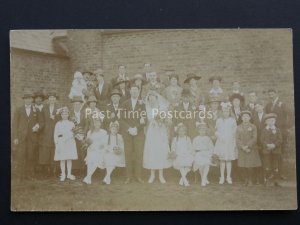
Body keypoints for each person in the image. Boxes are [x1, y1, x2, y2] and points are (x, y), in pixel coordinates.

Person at [12, 92, 43, 182]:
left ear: (32, 100)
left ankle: (29, 175)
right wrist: (15, 137)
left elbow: (41, 122)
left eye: (30, 99)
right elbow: (15, 125)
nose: (28, 100)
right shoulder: (19, 110)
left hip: (32, 138)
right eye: (26, 99)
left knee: (31, 156)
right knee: (20, 156)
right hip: (21, 137)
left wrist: (37, 127)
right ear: (24, 100)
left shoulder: (36, 110)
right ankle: (19, 176)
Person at [143, 90, 171, 184]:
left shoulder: (161, 107)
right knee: (152, 151)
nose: (151, 98)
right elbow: (147, 120)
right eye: (149, 97)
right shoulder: (147, 107)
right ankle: (152, 174)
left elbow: (167, 118)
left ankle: (161, 175)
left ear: (156, 97)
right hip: (152, 131)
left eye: (153, 96)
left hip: (160, 130)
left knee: (160, 151)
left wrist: (162, 121)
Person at [120, 85, 146, 184]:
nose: (134, 92)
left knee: (139, 154)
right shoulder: (125, 103)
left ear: (139, 92)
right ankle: (128, 177)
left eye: (136, 90)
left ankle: (138, 176)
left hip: (138, 133)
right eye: (133, 90)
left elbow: (145, 119)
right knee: (128, 154)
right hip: (128, 133)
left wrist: (137, 128)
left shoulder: (142, 104)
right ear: (130, 92)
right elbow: (121, 119)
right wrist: (129, 129)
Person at [265, 89, 291, 179]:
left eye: (272, 94)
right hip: (270, 133)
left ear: (276, 94)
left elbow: (290, 115)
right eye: (270, 94)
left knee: (280, 153)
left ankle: (281, 173)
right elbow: (266, 118)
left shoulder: (282, 104)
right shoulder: (268, 105)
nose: (271, 96)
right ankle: (272, 173)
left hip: (281, 132)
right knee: (271, 153)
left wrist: (287, 128)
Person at [213, 102, 237, 184]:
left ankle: (228, 177)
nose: (225, 113)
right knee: (222, 160)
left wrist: (231, 138)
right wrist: (219, 136)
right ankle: (222, 177)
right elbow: (216, 131)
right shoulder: (219, 120)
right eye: (224, 111)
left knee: (228, 160)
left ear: (229, 112)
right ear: (221, 112)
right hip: (221, 141)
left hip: (230, 142)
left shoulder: (232, 120)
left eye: (227, 111)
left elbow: (234, 131)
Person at [236, 111, 262, 186]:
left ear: (250, 118)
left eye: (247, 116)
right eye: (243, 117)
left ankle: (250, 180)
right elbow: (237, 139)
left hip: (251, 148)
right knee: (243, 165)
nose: (245, 118)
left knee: (250, 165)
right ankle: (245, 180)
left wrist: (247, 146)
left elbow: (254, 138)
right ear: (241, 118)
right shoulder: (238, 127)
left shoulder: (253, 126)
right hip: (242, 149)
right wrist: (242, 147)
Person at [39, 92, 61, 177]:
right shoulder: (44, 108)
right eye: (50, 98)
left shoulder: (59, 108)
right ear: (48, 99)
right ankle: (47, 169)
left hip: (56, 131)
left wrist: (55, 118)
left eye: (53, 98)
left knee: (55, 149)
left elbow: (61, 119)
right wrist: (40, 129)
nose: (52, 99)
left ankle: (54, 169)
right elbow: (41, 120)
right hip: (46, 132)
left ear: (55, 99)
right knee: (46, 149)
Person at [54, 107, 78, 181]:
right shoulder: (58, 123)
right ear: (61, 115)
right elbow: (55, 134)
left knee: (69, 158)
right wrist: (56, 143)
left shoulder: (71, 123)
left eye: (66, 114)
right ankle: (63, 174)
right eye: (63, 114)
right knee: (62, 159)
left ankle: (69, 174)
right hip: (61, 142)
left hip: (70, 142)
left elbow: (74, 133)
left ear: (68, 115)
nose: (64, 115)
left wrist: (69, 137)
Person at [83, 117, 108, 184]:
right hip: (92, 149)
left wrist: (100, 147)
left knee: (96, 157)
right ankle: (88, 178)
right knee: (90, 157)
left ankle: (88, 177)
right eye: (95, 122)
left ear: (100, 123)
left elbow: (105, 143)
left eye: (98, 122)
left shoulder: (104, 132)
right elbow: (88, 143)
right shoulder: (89, 132)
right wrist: (87, 145)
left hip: (100, 150)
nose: (97, 124)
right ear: (93, 124)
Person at [260, 113, 283, 186]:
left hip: (276, 150)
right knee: (267, 165)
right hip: (266, 150)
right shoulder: (264, 130)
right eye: (269, 121)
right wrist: (267, 145)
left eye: (272, 121)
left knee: (275, 165)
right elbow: (261, 139)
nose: (270, 122)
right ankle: (266, 180)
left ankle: (276, 180)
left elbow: (280, 140)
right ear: (266, 122)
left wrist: (274, 145)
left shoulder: (277, 130)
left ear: (275, 121)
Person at [192, 122, 214, 186]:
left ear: (206, 131)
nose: (202, 131)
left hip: (206, 154)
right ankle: (203, 178)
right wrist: (195, 154)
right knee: (200, 163)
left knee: (207, 163)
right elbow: (193, 149)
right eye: (201, 130)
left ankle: (203, 179)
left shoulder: (208, 138)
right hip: (198, 154)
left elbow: (211, 148)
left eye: (204, 130)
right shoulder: (195, 139)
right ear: (198, 131)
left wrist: (208, 154)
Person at [69, 96, 87, 174]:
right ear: (73, 105)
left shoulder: (84, 113)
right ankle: (74, 168)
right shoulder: (70, 113)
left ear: (81, 105)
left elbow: (87, 124)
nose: (77, 106)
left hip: (82, 135)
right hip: (73, 135)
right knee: (74, 151)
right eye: (75, 104)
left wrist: (84, 133)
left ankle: (82, 168)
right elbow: (68, 125)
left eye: (79, 104)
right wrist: (74, 133)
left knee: (82, 151)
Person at [252, 100, 266, 184]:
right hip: (256, 142)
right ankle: (256, 178)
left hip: (264, 142)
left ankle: (264, 178)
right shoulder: (253, 117)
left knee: (264, 160)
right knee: (257, 160)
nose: (258, 108)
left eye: (259, 106)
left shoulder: (266, 116)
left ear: (262, 106)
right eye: (256, 107)